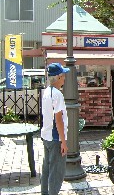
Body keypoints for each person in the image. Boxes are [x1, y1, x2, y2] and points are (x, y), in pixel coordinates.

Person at [41, 63, 70, 195]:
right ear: (58, 77)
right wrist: (63, 142)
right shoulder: (57, 94)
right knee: (56, 172)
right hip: (55, 137)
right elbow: (58, 120)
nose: (64, 78)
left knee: (47, 169)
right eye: (63, 75)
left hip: (46, 135)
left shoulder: (46, 91)